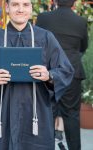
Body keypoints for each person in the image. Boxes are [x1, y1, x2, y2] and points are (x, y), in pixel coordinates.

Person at [0, 0, 74, 149]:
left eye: (25, 4)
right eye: (15, 4)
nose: (20, 9)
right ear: (7, 8)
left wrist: (49, 75)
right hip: (3, 116)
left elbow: (66, 70)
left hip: (37, 115)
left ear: (31, 8)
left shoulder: (46, 38)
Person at [36, 0, 88, 149]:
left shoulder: (43, 17)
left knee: (46, 113)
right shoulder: (80, 21)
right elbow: (83, 46)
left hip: (48, 71)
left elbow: (36, 41)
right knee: (72, 115)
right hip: (72, 71)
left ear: (55, 1)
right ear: (74, 2)